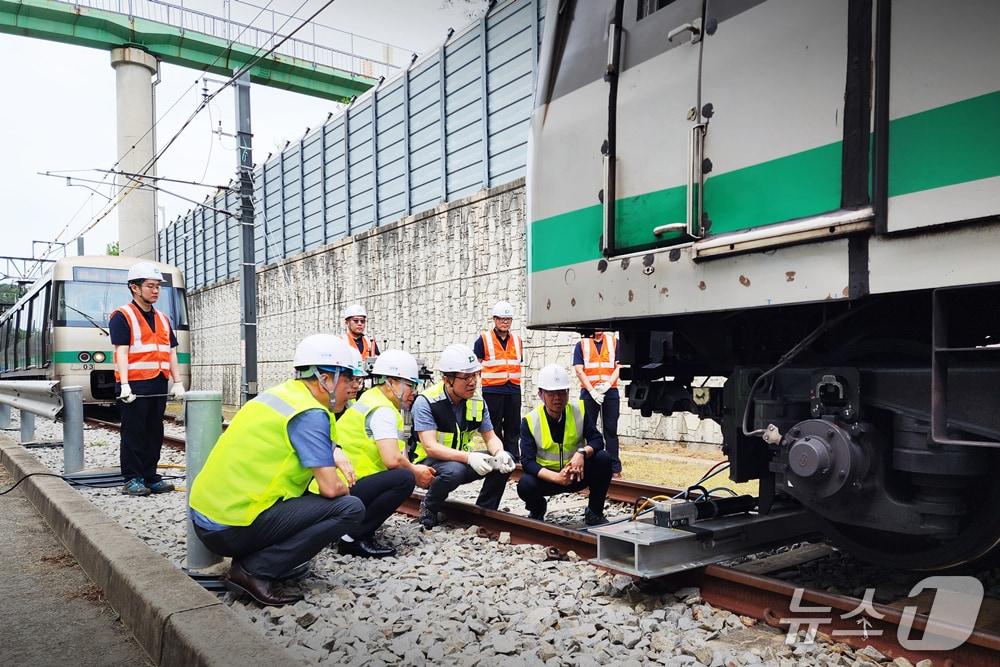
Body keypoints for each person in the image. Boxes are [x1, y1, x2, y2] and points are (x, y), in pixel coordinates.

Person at [188, 334, 365, 606]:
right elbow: (330, 487)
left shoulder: (281, 396)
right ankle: (253, 571)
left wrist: (335, 451)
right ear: (325, 379)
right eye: (348, 378)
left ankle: (254, 558)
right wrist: (343, 484)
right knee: (349, 507)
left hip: (207, 515)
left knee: (312, 500)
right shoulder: (311, 413)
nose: (353, 387)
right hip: (231, 526)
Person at [319, 349, 437, 558]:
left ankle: (344, 529)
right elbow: (392, 459)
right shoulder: (383, 410)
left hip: (335, 487)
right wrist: (416, 472)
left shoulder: (370, 400)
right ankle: (353, 538)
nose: (413, 391)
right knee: (404, 478)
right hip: (341, 490)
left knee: (402, 473)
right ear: (391, 381)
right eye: (410, 385)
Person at [412, 343, 516, 529]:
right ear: (447, 380)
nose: (472, 382)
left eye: (475, 375)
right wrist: (469, 457)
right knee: (454, 470)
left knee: (505, 460)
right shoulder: (426, 401)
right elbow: (430, 447)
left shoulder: (477, 401)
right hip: (428, 464)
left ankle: (485, 510)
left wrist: (500, 453)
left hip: (460, 460)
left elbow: (490, 437)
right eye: (465, 377)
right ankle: (429, 507)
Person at [110, 261, 186, 497]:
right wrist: (124, 384)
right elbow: (121, 351)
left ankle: (150, 476)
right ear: (135, 287)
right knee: (134, 431)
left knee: (154, 431)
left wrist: (179, 382)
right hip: (132, 385)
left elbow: (171, 351)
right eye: (151, 286)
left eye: (157, 287)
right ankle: (132, 478)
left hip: (158, 381)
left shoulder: (163, 318)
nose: (156, 291)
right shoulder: (122, 316)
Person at [517, 364, 611, 525]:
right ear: (541, 394)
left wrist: (581, 453)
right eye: (551, 393)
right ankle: (538, 508)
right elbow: (527, 462)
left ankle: (595, 512)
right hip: (548, 479)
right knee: (525, 485)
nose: (557, 398)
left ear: (567, 393)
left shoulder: (579, 411)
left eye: (562, 392)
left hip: (576, 475)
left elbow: (597, 440)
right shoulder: (530, 421)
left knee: (603, 458)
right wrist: (556, 477)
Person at [472, 301, 522, 462]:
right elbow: (476, 365)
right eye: (501, 318)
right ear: (494, 319)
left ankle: (513, 456)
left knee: (513, 425)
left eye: (508, 319)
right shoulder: (483, 339)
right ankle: (498, 455)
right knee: (494, 425)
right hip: (493, 390)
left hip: (513, 388)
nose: (505, 322)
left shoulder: (517, 340)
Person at [573, 330, 622, 478]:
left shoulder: (614, 342)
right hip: (589, 392)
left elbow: (619, 366)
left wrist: (607, 384)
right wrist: (592, 391)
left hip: (610, 391)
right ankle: (588, 465)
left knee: (611, 430)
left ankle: (615, 468)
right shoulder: (581, 344)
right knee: (588, 430)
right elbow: (579, 370)